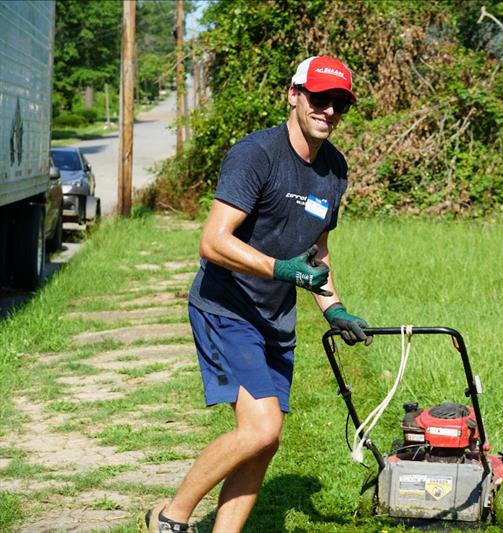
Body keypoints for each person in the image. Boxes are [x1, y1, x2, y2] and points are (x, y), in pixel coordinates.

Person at [146, 55, 372, 533]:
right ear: (294, 95)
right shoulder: (256, 155)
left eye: (339, 103)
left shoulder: (334, 170)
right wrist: (280, 269)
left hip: (274, 318)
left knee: (265, 440)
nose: (328, 110)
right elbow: (213, 240)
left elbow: (319, 252)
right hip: (226, 307)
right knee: (261, 428)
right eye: (318, 98)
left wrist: (335, 310)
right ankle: (169, 518)